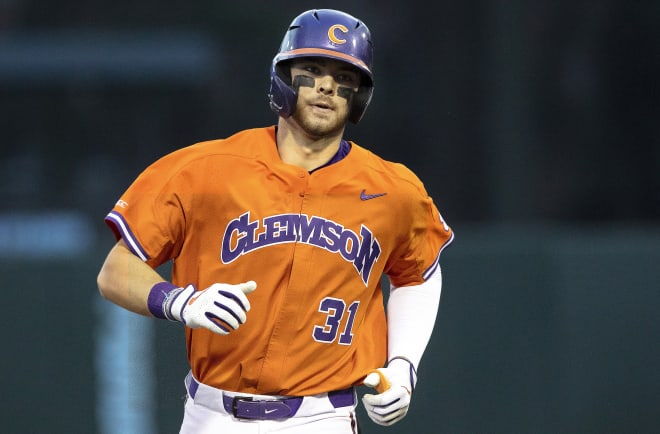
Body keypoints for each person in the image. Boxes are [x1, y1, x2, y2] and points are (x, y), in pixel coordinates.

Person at [97, 8, 454, 434]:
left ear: (359, 94)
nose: (326, 85)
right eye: (313, 68)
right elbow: (115, 270)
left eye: (344, 76)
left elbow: (420, 274)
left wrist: (404, 364)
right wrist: (182, 302)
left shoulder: (392, 189)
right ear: (282, 78)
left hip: (324, 417)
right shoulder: (207, 169)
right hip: (213, 415)